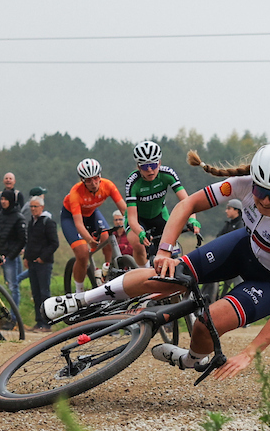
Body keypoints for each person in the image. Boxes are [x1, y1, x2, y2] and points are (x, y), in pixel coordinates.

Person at [43, 143, 270, 381]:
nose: (266, 201)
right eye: (260, 191)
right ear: (252, 180)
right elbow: (187, 205)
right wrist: (164, 251)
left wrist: (248, 354)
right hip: (245, 245)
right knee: (163, 276)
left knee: (205, 325)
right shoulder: (243, 184)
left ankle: (190, 359)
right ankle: (81, 300)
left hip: (269, 277)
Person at [123, 141, 201, 267]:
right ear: (138, 167)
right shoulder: (133, 182)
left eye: (153, 165)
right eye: (144, 166)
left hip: (159, 214)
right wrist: (140, 233)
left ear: (159, 163)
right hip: (138, 219)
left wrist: (192, 220)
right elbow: (132, 218)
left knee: (171, 248)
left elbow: (187, 202)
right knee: (138, 244)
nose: (150, 170)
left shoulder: (168, 174)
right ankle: (144, 272)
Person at [61, 158, 126, 292]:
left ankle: (105, 270)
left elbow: (124, 209)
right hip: (71, 218)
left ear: (100, 176)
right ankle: (79, 290)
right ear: (82, 180)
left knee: (107, 238)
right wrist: (90, 240)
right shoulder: (75, 193)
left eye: (96, 178)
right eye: (88, 180)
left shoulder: (108, 186)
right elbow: (78, 224)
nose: (93, 183)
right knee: (83, 253)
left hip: (92, 214)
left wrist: (133, 224)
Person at [24, 195, 59, 331]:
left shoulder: (48, 222)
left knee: (44, 293)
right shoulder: (32, 222)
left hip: (44, 264)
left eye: (35, 206)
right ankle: (39, 322)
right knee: (36, 293)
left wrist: (42, 258)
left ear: (42, 207)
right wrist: (26, 257)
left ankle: (47, 323)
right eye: (31, 207)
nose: (33, 209)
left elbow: (54, 243)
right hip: (32, 263)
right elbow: (30, 242)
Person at [0, 189, 26, 310]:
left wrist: (11, 255)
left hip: (10, 258)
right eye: (2, 199)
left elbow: (22, 240)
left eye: (6, 199)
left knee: (12, 287)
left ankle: (14, 317)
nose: (3, 202)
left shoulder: (18, 218)